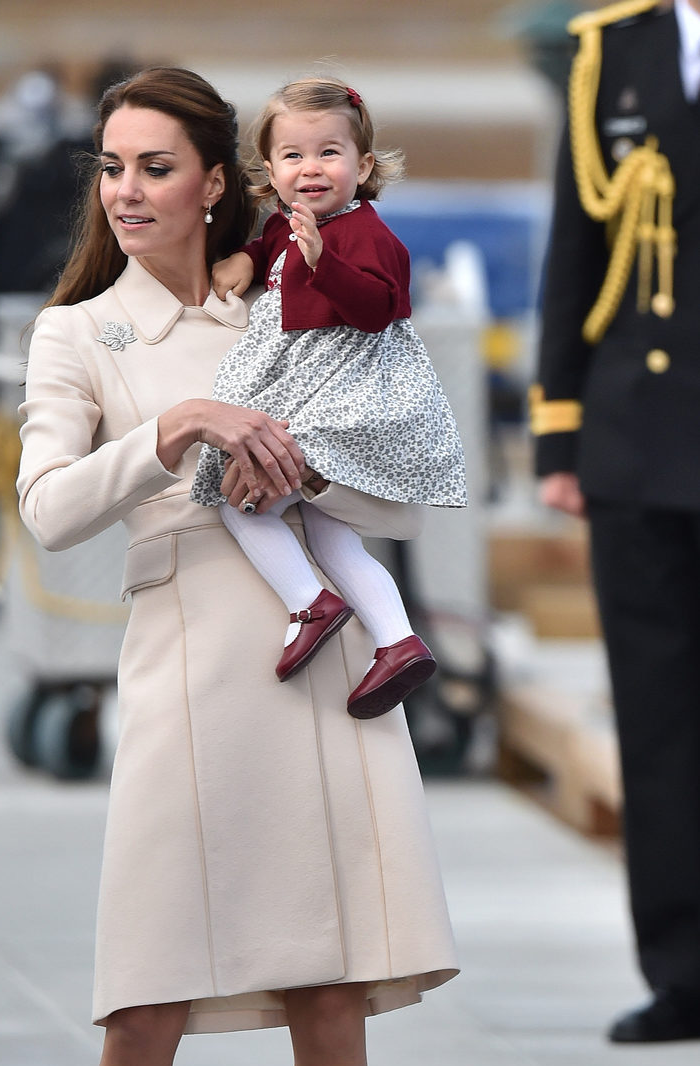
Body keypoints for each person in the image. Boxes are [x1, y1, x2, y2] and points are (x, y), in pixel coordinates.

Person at [16, 66, 458, 1066]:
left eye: (156, 167)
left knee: (331, 1004)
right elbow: (47, 513)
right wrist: (177, 427)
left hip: (324, 674)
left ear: (222, 180)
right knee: (139, 1009)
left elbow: (409, 493)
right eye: (110, 167)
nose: (128, 192)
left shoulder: (301, 289)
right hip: (181, 676)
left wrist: (308, 471)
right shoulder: (77, 332)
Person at [532, 0, 700, 1043]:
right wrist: (556, 436)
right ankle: (684, 972)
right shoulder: (609, 50)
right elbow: (575, 250)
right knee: (658, 718)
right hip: (637, 438)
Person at [191, 78, 465, 718]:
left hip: (344, 394)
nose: (310, 169)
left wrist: (323, 263)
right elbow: (271, 252)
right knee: (330, 531)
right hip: (317, 389)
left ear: (363, 166)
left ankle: (309, 603)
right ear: (271, 171)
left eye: (329, 153)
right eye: (293, 156)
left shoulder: (366, 234)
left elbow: (379, 308)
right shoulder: (291, 226)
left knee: (243, 500)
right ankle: (397, 641)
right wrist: (248, 261)